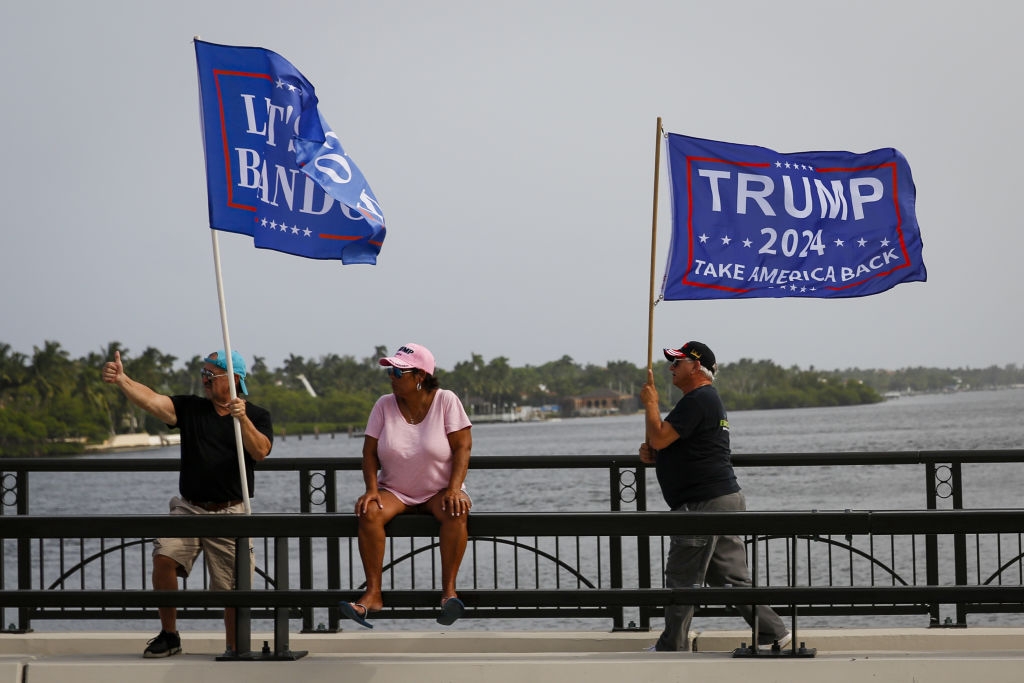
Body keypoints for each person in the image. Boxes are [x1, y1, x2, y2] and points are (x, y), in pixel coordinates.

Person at [101, 349, 273, 658]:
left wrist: (242, 418)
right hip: (189, 507)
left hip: (231, 510)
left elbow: (261, 451)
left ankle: (235, 646)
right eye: (203, 375)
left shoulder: (257, 415)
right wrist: (123, 380)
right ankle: (169, 635)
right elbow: (154, 401)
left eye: (211, 375)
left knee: (233, 588)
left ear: (234, 380)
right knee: (164, 557)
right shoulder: (192, 409)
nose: (204, 381)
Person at [639, 340, 790, 652]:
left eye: (677, 363)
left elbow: (661, 435)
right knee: (730, 578)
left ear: (696, 367)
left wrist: (651, 405)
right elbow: (669, 442)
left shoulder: (698, 399)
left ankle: (671, 646)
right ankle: (774, 632)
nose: (671, 368)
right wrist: (656, 453)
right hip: (723, 497)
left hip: (702, 503)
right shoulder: (705, 400)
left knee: (682, 576)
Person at [340, 343, 473, 629]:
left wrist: (455, 488)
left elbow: (463, 447)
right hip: (396, 491)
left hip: (438, 491)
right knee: (369, 512)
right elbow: (369, 453)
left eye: (399, 372)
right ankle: (373, 594)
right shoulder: (383, 405)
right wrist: (372, 490)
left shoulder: (446, 400)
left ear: (420, 376)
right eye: (390, 371)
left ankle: (448, 592)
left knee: (456, 512)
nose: (392, 377)